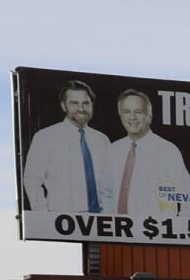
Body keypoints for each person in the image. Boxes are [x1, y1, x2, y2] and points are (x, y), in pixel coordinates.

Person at [101, 88, 190, 228]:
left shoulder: (167, 150)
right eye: (126, 112)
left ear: (149, 116)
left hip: (154, 237)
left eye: (138, 112)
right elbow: (106, 193)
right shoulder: (113, 149)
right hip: (118, 236)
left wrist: (178, 232)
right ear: (120, 115)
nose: (132, 117)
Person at [19, 81, 121, 216]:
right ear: (63, 105)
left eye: (86, 103)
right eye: (74, 103)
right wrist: (44, 215)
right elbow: (32, 179)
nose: (81, 108)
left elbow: (110, 184)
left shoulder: (102, 140)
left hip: (100, 221)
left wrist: (109, 215)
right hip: (62, 220)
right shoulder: (46, 137)